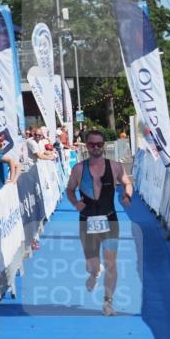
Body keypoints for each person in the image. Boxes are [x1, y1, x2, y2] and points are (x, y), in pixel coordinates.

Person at [66, 129, 133, 317]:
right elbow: (70, 190)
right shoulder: (79, 169)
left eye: (99, 144)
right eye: (91, 144)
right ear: (86, 146)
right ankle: (94, 273)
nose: (95, 147)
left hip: (110, 220)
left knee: (111, 263)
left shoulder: (115, 167)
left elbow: (127, 182)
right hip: (87, 222)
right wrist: (75, 203)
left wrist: (127, 195)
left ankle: (108, 302)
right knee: (93, 266)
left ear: (104, 145)